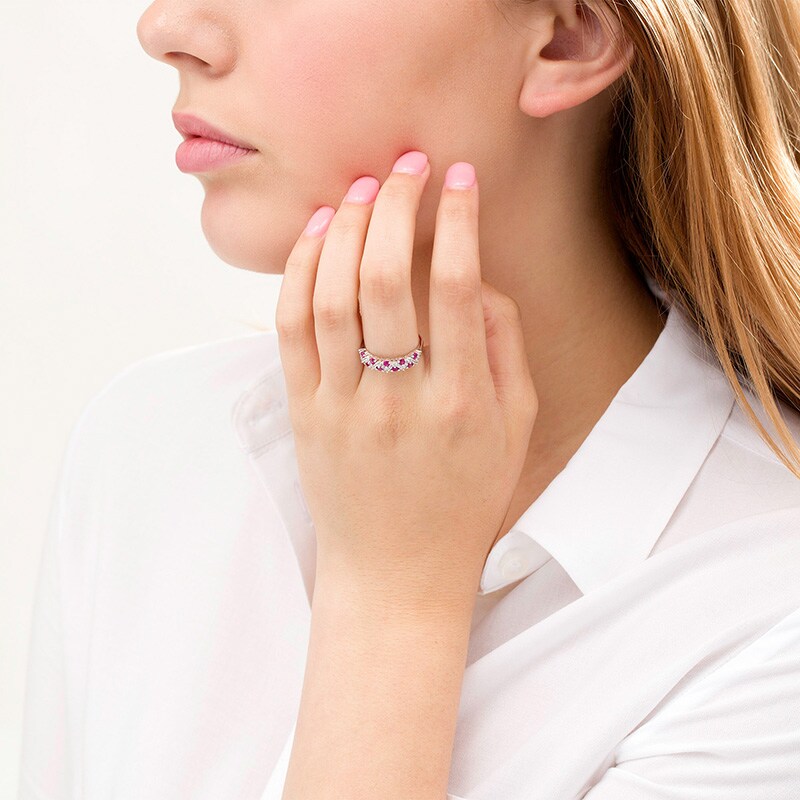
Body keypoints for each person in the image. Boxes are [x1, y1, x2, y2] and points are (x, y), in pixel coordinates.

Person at [18, 0, 800, 797]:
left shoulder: (771, 619)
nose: (166, 28)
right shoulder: (152, 448)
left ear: (569, 37)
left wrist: (391, 595)